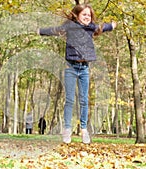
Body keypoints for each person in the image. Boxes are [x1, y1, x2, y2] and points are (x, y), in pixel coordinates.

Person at [38, 4, 117, 144]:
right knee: (69, 100)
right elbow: (55, 30)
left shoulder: (91, 28)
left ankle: (84, 129)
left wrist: (111, 25)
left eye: (89, 15)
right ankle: (67, 129)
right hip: (70, 67)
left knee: (84, 100)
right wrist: (40, 31)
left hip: (84, 68)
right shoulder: (70, 26)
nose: (87, 17)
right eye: (84, 14)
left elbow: (101, 28)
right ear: (77, 15)